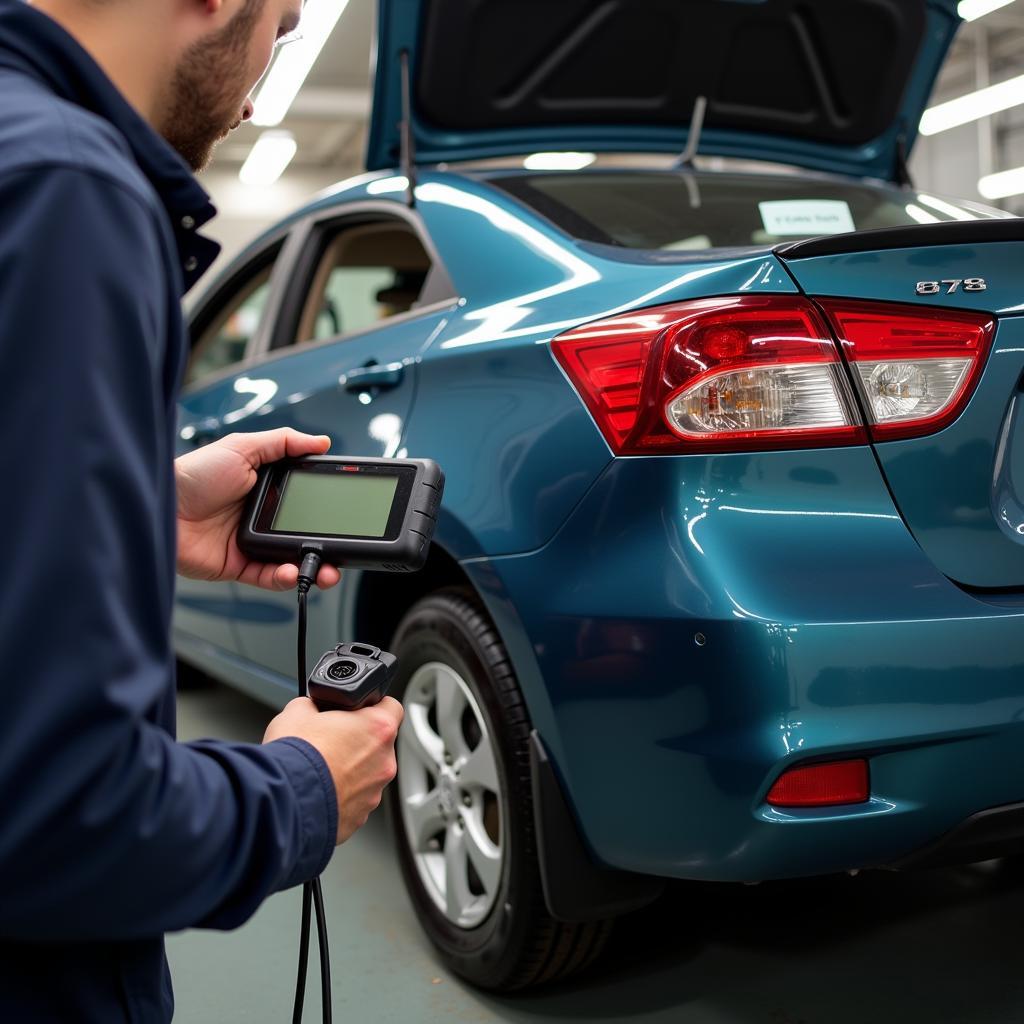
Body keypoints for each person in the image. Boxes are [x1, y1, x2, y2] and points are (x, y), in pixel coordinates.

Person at [0, 0, 405, 1019]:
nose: (262, 87)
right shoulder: (68, 187)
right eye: (284, 25)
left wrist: (138, 504)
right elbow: (64, 817)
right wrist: (305, 788)